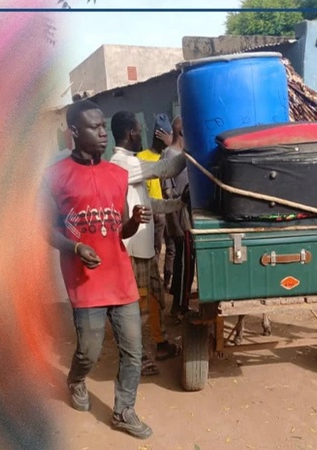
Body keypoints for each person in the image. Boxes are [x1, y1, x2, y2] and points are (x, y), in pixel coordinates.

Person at [39, 100, 153, 439]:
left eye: (104, 127)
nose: (103, 133)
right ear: (74, 132)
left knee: (133, 351)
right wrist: (75, 247)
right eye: (94, 127)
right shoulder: (55, 177)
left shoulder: (117, 175)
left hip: (120, 279)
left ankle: (124, 411)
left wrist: (132, 222)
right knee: (88, 351)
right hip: (85, 282)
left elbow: (120, 230)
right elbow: (46, 230)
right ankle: (75, 379)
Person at [109, 111, 188, 376]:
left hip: (143, 247)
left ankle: (160, 343)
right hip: (132, 248)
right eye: (139, 129)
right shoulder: (121, 163)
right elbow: (165, 169)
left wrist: (178, 203)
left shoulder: (131, 162)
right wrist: (189, 151)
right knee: (137, 307)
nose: (142, 133)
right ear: (131, 133)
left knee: (155, 299)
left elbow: (148, 204)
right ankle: (137, 356)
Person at [160, 116, 194, 319]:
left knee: (188, 261)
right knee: (184, 261)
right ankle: (178, 307)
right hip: (180, 219)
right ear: (182, 132)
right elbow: (168, 191)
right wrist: (176, 223)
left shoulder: (184, 154)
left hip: (188, 218)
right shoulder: (169, 156)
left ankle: (181, 301)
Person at [136, 114, 174, 290]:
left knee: (171, 249)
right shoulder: (141, 157)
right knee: (155, 250)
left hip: (170, 209)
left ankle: (166, 281)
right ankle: (154, 283)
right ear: (158, 136)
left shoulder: (168, 156)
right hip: (154, 212)